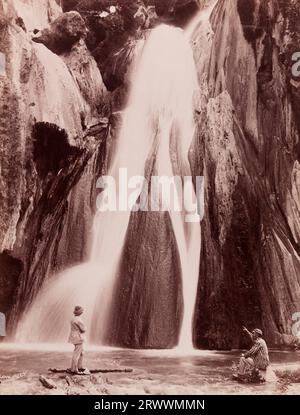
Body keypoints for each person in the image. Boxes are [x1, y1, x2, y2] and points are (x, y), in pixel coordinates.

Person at [68, 306, 87, 374]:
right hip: (78, 337)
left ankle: (79, 366)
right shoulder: (78, 320)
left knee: (81, 352)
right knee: (77, 353)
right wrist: (85, 328)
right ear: (79, 312)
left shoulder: (73, 319)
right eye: (81, 310)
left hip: (74, 336)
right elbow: (83, 329)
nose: (82, 312)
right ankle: (74, 369)